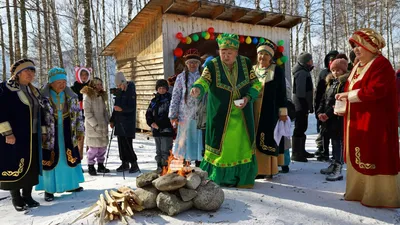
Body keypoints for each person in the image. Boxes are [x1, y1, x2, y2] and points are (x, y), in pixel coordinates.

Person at [336, 28, 400, 207]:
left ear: (371, 46)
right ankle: (359, 190)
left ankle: (378, 195)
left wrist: (349, 96)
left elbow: (377, 90)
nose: (356, 50)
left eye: (359, 46)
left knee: (374, 154)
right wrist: (343, 101)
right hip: (357, 119)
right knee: (360, 153)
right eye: (354, 46)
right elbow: (351, 90)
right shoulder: (358, 65)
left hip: (377, 122)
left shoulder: (382, 64)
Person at [191, 33, 261, 188]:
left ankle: (242, 178)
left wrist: (248, 98)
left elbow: (256, 83)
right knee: (221, 148)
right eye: (223, 52)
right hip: (220, 115)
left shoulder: (246, 63)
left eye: (229, 53)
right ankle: (219, 178)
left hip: (242, 115)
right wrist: (198, 88)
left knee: (241, 147)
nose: (226, 56)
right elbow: (204, 80)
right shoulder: (212, 65)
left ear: (236, 53)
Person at [36, 67, 85, 202]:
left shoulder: (72, 96)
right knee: (50, 159)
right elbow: (38, 117)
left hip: (68, 131)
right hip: (49, 134)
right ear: (51, 83)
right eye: (59, 82)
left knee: (69, 156)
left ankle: (71, 185)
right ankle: (49, 189)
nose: (62, 85)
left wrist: (80, 131)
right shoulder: (42, 97)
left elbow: (78, 115)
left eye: (64, 81)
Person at [0, 59, 43, 211]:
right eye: (27, 71)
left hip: (32, 135)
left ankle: (28, 196)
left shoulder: (34, 91)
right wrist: (8, 133)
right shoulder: (5, 89)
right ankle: (16, 198)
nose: (31, 74)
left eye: (33, 71)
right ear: (17, 74)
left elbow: (42, 112)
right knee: (15, 164)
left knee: (31, 166)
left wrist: (43, 132)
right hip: (15, 135)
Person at [252, 41, 288, 179]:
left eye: (266, 54)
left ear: (271, 57)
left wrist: (283, 112)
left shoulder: (276, 70)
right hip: (254, 110)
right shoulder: (253, 69)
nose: (262, 57)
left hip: (270, 111)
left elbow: (282, 93)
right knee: (254, 138)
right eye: (260, 53)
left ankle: (268, 169)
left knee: (267, 138)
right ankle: (256, 169)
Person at [169, 48, 203, 166]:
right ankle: (185, 167)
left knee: (198, 140)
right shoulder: (181, 78)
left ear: (198, 64)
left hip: (199, 115)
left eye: (195, 62)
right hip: (185, 115)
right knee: (185, 141)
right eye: (190, 62)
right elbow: (176, 96)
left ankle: (199, 166)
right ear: (186, 64)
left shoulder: (204, 77)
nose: (192, 65)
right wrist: (173, 114)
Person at [317, 58, 349, 181]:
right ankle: (334, 163)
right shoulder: (330, 82)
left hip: (337, 117)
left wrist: (328, 114)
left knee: (338, 142)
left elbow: (338, 102)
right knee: (331, 140)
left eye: (338, 70)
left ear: (343, 71)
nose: (336, 72)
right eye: (334, 70)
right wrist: (320, 112)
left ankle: (338, 167)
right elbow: (324, 99)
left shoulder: (343, 84)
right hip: (328, 118)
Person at [110, 72, 140, 173]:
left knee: (128, 144)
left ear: (123, 82)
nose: (118, 87)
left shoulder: (131, 91)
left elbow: (131, 108)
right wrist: (112, 120)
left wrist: (121, 109)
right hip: (119, 122)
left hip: (128, 123)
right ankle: (124, 162)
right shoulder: (119, 92)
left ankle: (134, 163)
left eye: (119, 85)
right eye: (117, 85)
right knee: (121, 144)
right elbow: (115, 107)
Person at [80, 77, 110, 176]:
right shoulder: (87, 96)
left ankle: (100, 165)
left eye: (101, 84)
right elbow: (87, 112)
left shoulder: (101, 96)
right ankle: (91, 165)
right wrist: (95, 124)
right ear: (94, 85)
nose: (101, 86)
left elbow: (104, 111)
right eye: (99, 84)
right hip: (92, 126)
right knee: (93, 148)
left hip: (102, 125)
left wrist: (107, 120)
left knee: (102, 147)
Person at [314, 50, 339, 161]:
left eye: (333, 60)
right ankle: (323, 150)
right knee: (323, 131)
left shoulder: (340, 76)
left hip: (334, 109)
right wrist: (318, 110)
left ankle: (336, 156)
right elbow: (319, 94)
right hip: (323, 106)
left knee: (334, 134)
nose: (331, 62)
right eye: (329, 60)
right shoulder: (323, 74)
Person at [146, 79, 174, 173]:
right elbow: (148, 114)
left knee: (166, 150)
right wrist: (151, 123)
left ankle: (166, 167)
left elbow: (171, 114)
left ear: (166, 89)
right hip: (156, 130)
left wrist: (162, 125)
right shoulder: (154, 101)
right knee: (159, 151)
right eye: (159, 88)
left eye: (163, 88)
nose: (161, 90)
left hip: (167, 129)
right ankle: (159, 166)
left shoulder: (170, 100)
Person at [291, 52, 314, 162]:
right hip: (300, 104)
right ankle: (296, 153)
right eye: (310, 60)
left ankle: (301, 150)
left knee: (302, 127)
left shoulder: (304, 71)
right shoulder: (301, 73)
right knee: (299, 127)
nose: (311, 61)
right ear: (306, 61)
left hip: (302, 103)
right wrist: (306, 104)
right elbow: (300, 92)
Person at [71, 66, 92, 161]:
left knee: (90, 138)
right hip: (77, 116)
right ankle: (79, 159)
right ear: (78, 75)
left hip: (90, 116)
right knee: (80, 138)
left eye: (86, 75)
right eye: (82, 75)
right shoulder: (73, 88)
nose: (84, 77)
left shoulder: (91, 88)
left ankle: (90, 160)